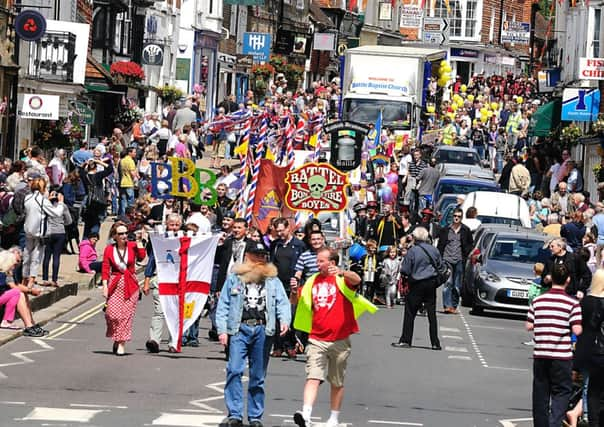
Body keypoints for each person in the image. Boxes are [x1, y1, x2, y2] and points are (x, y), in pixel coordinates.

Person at [292, 247, 376, 427]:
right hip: (316, 338)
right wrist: (293, 291)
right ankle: (306, 414)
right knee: (313, 377)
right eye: (317, 261)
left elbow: (357, 280)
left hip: (339, 339)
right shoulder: (312, 280)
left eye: (321, 261)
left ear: (331, 263)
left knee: (336, 382)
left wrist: (343, 272)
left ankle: (334, 418)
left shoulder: (341, 279)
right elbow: (298, 301)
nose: (317, 264)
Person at [216, 241, 291, 427]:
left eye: (263, 256)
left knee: (258, 376)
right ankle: (235, 414)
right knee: (234, 370)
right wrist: (222, 330)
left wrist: (284, 320)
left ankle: (255, 416)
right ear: (247, 256)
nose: (260, 259)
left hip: (263, 330)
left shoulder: (273, 280)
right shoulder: (235, 278)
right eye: (256, 255)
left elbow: (282, 302)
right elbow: (223, 305)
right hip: (239, 329)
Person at [527, 263, 582, 427]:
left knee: (541, 393)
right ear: (568, 280)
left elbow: (529, 325)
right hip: (561, 356)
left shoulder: (538, 300)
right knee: (562, 392)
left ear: (551, 279)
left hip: (541, 353)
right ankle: (554, 423)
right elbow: (577, 330)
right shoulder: (572, 303)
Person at [392, 227, 444, 350]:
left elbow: (405, 269)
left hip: (417, 283)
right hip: (431, 283)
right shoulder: (434, 250)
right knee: (432, 314)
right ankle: (435, 342)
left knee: (410, 312)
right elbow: (440, 266)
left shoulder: (413, 251)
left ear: (415, 238)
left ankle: (406, 339)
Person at [101, 221, 146, 356]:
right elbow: (105, 269)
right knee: (112, 315)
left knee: (126, 316)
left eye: (126, 233)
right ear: (114, 236)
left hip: (130, 285)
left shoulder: (132, 246)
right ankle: (117, 337)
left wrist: (139, 242)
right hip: (115, 284)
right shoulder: (109, 249)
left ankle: (121, 343)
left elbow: (142, 256)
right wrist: (104, 287)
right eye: (121, 234)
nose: (124, 236)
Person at [269, 217, 306, 359]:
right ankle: (278, 346)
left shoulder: (299, 245)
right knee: (278, 315)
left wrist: (297, 280)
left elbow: (302, 265)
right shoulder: (275, 245)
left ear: (288, 228)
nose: (280, 233)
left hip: (293, 285)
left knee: (291, 315)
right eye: (277, 231)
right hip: (277, 284)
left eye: (282, 230)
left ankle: (290, 345)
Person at [23, 175, 65, 288]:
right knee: (36, 258)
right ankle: (31, 281)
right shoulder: (42, 200)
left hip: (28, 231)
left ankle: (24, 279)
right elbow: (56, 213)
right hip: (39, 233)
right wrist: (60, 203)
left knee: (26, 256)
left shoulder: (27, 198)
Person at [573, 269, 604, 426]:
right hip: (599, 349)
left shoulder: (585, 303)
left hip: (588, 349)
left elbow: (578, 327)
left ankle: (587, 417)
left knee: (590, 387)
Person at [437, 208, 473, 314]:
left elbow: (470, 244)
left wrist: (467, 254)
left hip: (459, 260)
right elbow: (440, 245)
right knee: (448, 283)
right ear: (452, 217)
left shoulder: (465, 230)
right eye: (455, 216)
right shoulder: (446, 230)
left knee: (457, 286)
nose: (456, 218)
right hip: (447, 259)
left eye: (459, 216)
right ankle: (447, 306)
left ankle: (453, 305)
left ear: (461, 218)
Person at [41, 190, 72, 287]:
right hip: (60, 232)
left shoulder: (46, 205)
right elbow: (69, 221)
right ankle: (54, 279)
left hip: (49, 232)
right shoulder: (63, 206)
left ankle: (45, 279)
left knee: (47, 256)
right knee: (56, 256)